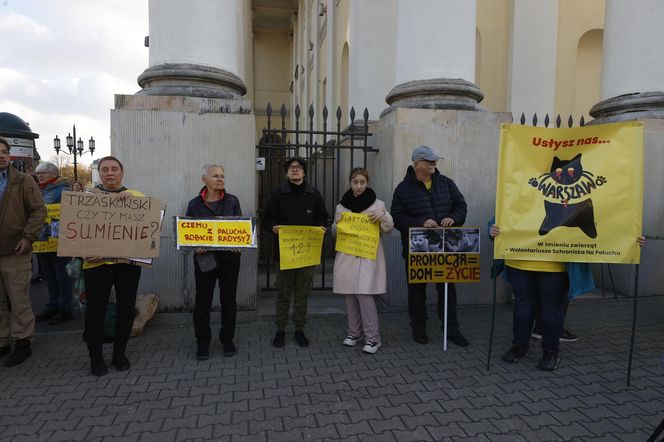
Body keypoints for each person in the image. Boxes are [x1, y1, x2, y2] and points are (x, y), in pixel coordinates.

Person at [489, 220, 646, 371]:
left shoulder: (568, 194)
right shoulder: (518, 192)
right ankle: (519, 347)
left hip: (554, 265)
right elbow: (502, 214)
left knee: (551, 310)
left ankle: (550, 353)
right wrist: (492, 229)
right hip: (519, 262)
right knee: (523, 308)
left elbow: (602, 215)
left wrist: (629, 238)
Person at [391, 145, 469, 347]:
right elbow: (397, 219)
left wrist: (454, 217)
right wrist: (420, 222)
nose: (434, 163)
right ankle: (418, 329)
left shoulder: (446, 183)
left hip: (445, 247)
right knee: (416, 291)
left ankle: (451, 329)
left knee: (447, 289)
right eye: (429, 160)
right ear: (417, 164)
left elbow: (461, 206)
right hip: (416, 249)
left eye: (435, 160)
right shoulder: (402, 189)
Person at [83, 156, 144, 376]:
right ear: (99, 173)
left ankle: (120, 354)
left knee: (126, 309)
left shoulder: (137, 196)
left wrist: (135, 205)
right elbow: (76, 232)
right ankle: (96, 358)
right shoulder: (87, 197)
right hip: (95, 264)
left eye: (114, 169)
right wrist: (84, 252)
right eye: (105, 169)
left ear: (122, 172)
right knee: (95, 311)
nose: (110, 173)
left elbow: (149, 226)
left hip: (127, 264)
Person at [262, 156, 329, 348]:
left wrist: (321, 228)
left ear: (305, 172)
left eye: (298, 167)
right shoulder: (277, 195)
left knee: (302, 294)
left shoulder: (314, 195)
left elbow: (323, 218)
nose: (295, 170)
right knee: (283, 293)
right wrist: (273, 227)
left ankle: (299, 329)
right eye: (291, 167)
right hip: (284, 254)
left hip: (306, 254)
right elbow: (267, 219)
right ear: (286, 172)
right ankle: (280, 329)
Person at [332, 168, 394, 354]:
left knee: (365, 296)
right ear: (350, 183)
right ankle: (354, 333)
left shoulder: (378, 204)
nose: (358, 186)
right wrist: (337, 224)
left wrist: (383, 216)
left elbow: (389, 228)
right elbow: (335, 233)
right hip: (348, 257)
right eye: (355, 182)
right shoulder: (341, 207)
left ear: (367, 183)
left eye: (362, 182)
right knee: (350, 295)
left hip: (368, 257)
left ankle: (373, 338)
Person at [186, 164, 242, 360]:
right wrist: (195, 245)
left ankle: (227, 339)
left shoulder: (233, 201)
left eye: (222, 176)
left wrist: (239, 243)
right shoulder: (194, 204)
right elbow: (189, 232)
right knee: (203, 301)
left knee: (229, 301)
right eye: (215, 176)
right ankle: (203, 343)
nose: (220, 179)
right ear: (204, 179)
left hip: (230, 259)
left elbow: (239, 228)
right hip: (205, 259)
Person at [0, 137, 47, 366]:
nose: (0, 156)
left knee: (19, 299)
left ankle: (22, 342)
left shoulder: (23, 181)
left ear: (8, 155)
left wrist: (28, 237)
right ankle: (2, 341)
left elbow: (39, 211)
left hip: (15, 251)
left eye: (3, 152)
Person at [33, 162, 74, 325]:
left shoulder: (62, 189)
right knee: (49, 275)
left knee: (61, 275)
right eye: (38, 173)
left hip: (58, 239)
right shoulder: (37, 189)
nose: (40, 175)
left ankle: (65, 308)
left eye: (44, 172)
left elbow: (70, 211)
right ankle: (52, 305)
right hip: (41, 239)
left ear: (54, 173)